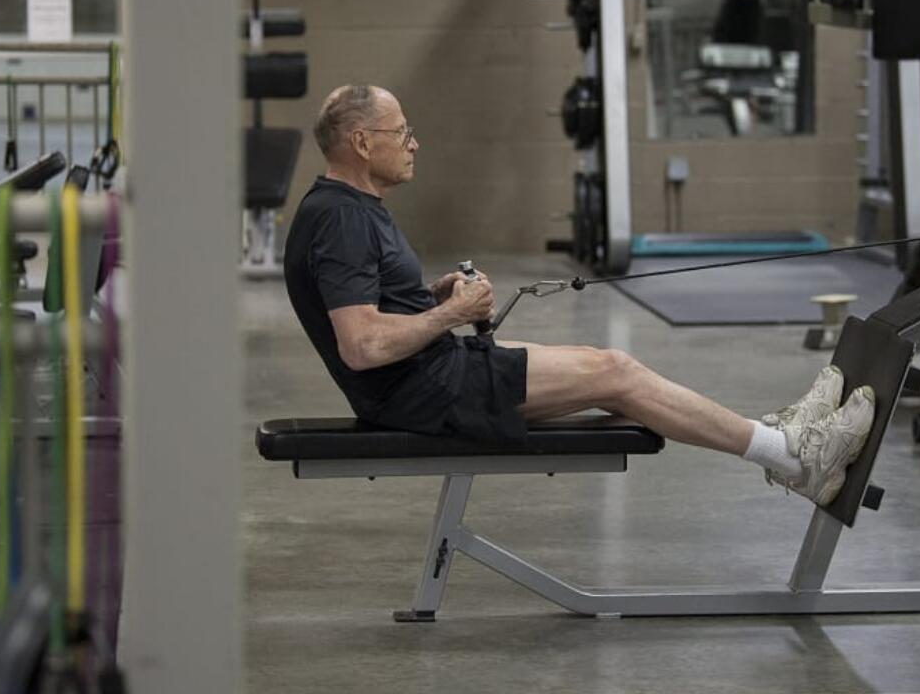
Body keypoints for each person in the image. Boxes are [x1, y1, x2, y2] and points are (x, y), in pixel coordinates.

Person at [283, 85, 874, 506]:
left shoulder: (342, 207)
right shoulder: (343, 220)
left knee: (608, 368)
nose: (414, 143)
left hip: (429, 377)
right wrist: (448, 314)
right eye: (403, 132)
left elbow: (372, 310)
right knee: (615, 373)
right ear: (362, 143)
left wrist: (429, 299)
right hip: (422, 393)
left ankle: (785, 439)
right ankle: (795, 457)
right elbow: (360, 345)